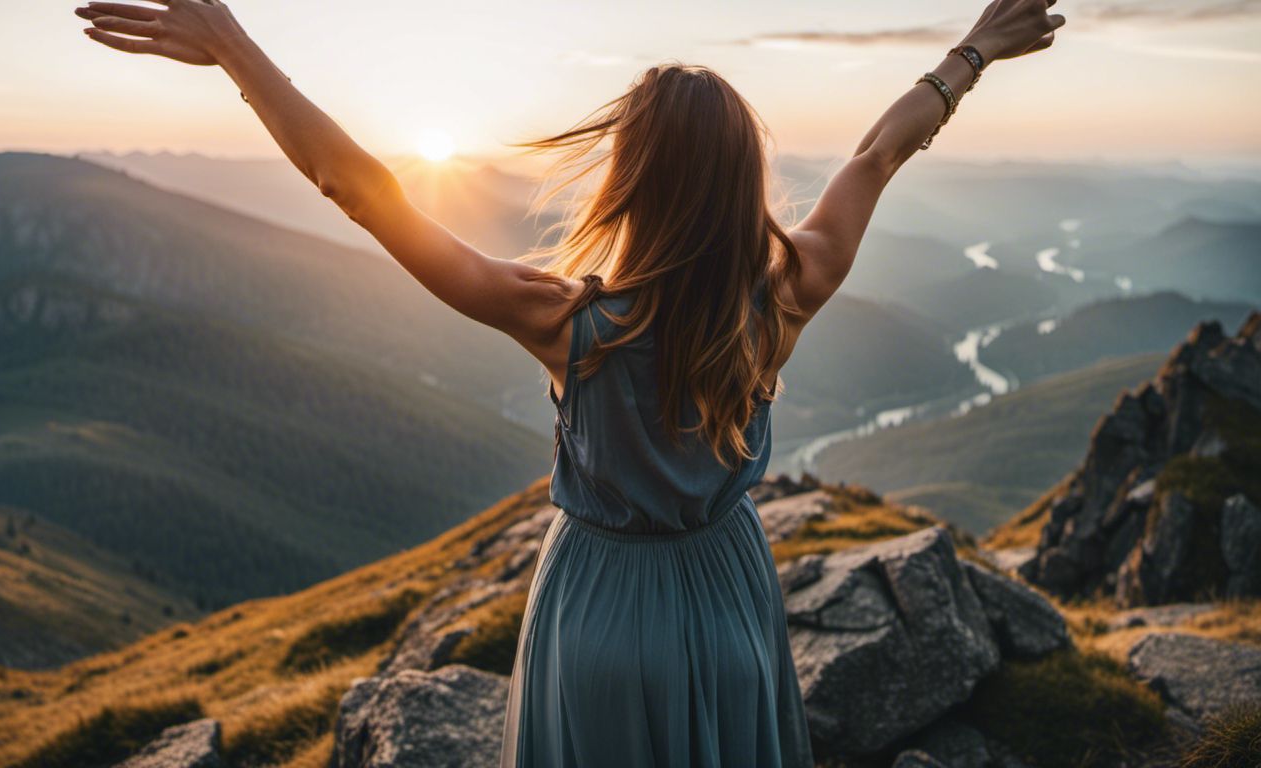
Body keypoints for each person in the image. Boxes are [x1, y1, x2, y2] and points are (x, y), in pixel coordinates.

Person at [74, 1, 1065, 764]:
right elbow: (878, 152)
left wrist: (236, 49)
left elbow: (362, 191)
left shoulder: (569, 322)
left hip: (595, 607)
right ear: (740, 180)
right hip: (725, 593)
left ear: (631, 176)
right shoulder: (789, 290)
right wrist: (973, 48)